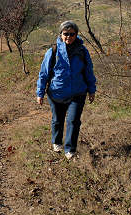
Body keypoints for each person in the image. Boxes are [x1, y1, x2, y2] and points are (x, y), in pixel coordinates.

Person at [36, 21, 96, 160]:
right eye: (65, 34)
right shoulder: (53, 51)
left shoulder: (82, 51)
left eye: (72, 34)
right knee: (57, 120)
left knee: (73, 121)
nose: (68, 37)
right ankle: (57, 142)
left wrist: (91, 90)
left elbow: (88, 71)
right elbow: (43, 73)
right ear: (61, 34)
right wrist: (40, 93)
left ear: (76, 35)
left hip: (78, 93)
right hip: (56, 93)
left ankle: (70, 149)